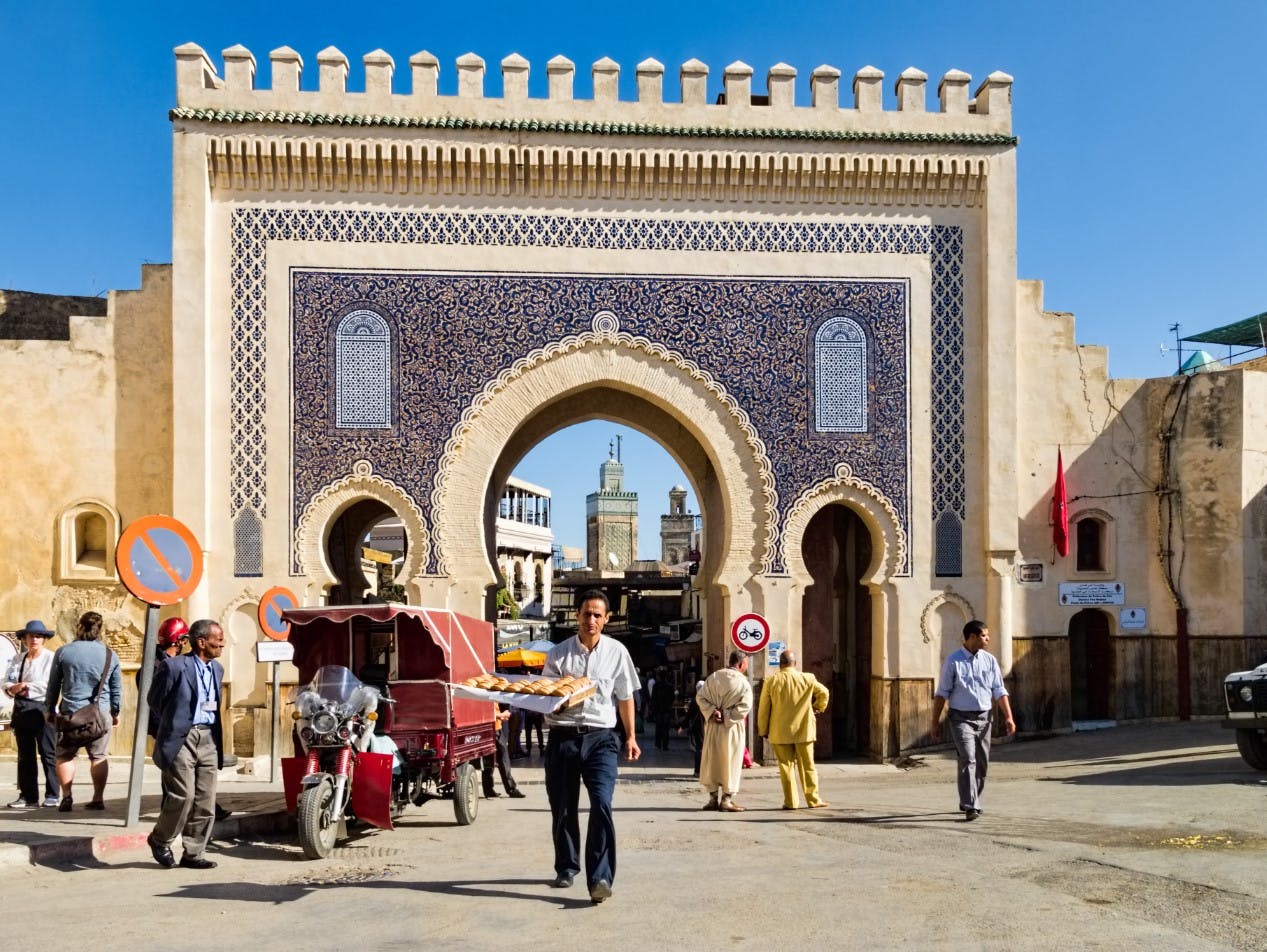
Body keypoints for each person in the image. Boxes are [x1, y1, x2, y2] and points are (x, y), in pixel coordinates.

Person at [543, 590, 640, 904]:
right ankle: (567, 866)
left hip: (601, 738)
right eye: (586, 614)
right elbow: (546, 697)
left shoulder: (617, 652)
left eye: (598, 615)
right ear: (577, 615)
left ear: (607, 619)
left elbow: (624, 696)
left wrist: (631, 736)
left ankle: (600, 877)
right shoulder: (558, 654)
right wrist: (557, 703)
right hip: (563, 736)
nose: (592, 620)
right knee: (563, 806)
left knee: (601, 804)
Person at [146, 619, 225, 869]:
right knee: (184, 795)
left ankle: (193, 853)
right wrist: (174, 722)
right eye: (218, 639)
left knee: (205, 798)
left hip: (209, 737)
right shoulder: (175, 667)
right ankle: (160, 840)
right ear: (202, 642)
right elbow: (154, 700)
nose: (222, 643)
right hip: (181, 737)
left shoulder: (218, 669)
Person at [930, 619, 1016, 821]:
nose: (987, 639)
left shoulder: (990, 660)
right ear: (972, 637)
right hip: (960, 718)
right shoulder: (953, 661)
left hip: (985, 717)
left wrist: (1009, 717)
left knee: (982, 763)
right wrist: (935, 722)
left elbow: (998, 690)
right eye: (984, 635)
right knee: (968, 758)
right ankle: (971, 805)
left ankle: (969, 797)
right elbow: (942, 693)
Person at [45, 611, 122, 812]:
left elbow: (54, 684)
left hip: (71, 713)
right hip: (100, 714)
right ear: (100, 629)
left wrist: (49, 709)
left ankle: (67, 796)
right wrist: (115, 712)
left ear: (78, 627)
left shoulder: (64, 652)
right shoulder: (109, 654)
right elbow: (116, 688)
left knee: (64, 756)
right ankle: (97, 798)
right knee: (98, 756)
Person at [757, 648, 830, 810]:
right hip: (804, 729)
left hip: (780, 731)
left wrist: (763, 729)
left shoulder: (771, 681)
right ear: (795, 664)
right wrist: (818, 707)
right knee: (808, 765)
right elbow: (824, 692)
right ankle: (813, 799)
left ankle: (791, 802)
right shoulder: (807, 678)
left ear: (780, 665)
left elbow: (764, 708)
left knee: (786, 766)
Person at [2, 620, 60, 808]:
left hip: (43, 709)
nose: (34, 639)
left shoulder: (51, 658)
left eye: (38, 636)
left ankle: (52, 793)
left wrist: (26, 686)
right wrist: (12, 689)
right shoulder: (19, 659)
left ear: (44, 639)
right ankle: (28, 796)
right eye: (31, 636)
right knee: (25, 756)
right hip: (22, 710)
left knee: (48, 754)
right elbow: (6, 681)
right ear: (24, 638)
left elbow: (51, 684)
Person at [696, 650, 753, 811]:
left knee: (712, 761)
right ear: (741, 664)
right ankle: (727, 799)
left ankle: (713, 798)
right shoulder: (743, 683)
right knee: (731, 760)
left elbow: (700, 698)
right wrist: (728, 716)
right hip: (732, 728)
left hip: (713, 726)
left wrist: (712, 711)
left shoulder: (713, 677)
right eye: (746, 665)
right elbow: (745, 706)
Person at [482, 703, 525, 799]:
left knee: (489, 759)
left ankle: (488, 789)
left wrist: (501, 716)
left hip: (493, 728)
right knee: (503, 760)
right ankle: (511, 789)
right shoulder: (485, 695)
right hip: (494, 729)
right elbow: (486, 712)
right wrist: (502, 715)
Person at [651, 669, 676, 750]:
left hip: (658, 710)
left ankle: (658, 744)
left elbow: (653, 698)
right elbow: (673, 697)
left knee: (658, 727)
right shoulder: (670, 686)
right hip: (667, 710)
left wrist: (653, 709)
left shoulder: (656, 686)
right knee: (666, 728)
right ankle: (665, 745)